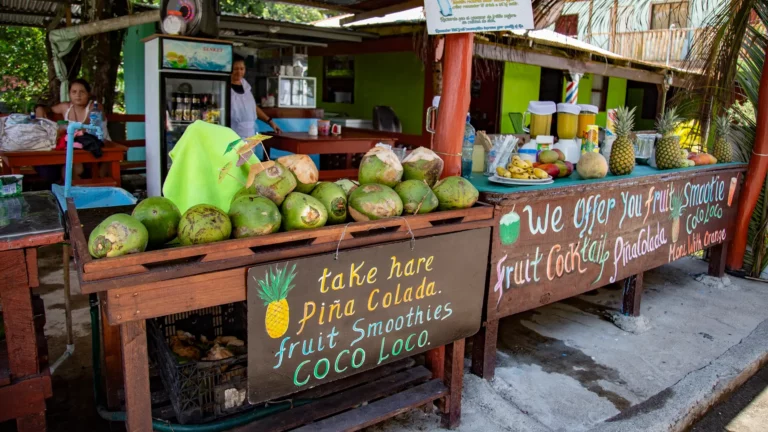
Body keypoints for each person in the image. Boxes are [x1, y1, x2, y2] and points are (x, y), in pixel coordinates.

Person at [34, 78, 110, 182]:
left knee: (72, 164)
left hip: (99, 145)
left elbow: (88, 125)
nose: (77, 95)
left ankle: (75, 189)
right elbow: (48, 109)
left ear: (88, 93)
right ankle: (67, 190)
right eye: (74, 92)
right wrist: (39, 108)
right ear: (69, 94)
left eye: (82, 92)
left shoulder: (95, 106)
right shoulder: (65, 107)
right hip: (75, 147)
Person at [230, 54, 281, 159]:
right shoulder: (225, 86)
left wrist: (270, 121)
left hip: (250, 135)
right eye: (235, 69)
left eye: (241, 68)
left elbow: (253, 107)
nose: (239, 72)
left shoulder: (246, 86)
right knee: (233, 166)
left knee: (247, 166)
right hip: (233, 134)